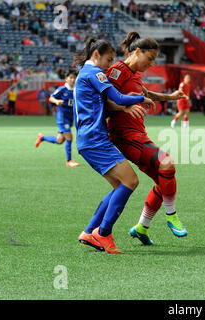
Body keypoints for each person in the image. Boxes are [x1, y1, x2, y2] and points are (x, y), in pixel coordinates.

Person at [73, 37, 155, 254]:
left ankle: (90, 231)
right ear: (96, 55)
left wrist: (127, 105)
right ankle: (104, 233)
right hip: (94, 139)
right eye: (108, 60)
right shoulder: (94, 73)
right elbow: (116, 96)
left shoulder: (85, 74)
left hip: (89, 139)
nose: (109, 66)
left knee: (121, 185)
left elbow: (109, 104)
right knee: (131, 180)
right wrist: (139, 99)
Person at [106, 31, 188, 245]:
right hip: (124, 136)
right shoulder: (117, 71)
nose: (151, 64)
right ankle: (171, 216)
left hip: (138, 135)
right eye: (149, 59)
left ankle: (142, 227)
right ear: (138, 51)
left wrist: (169, 97)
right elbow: (104, 101)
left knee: (165, 179)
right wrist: (125, 107)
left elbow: (144, 92)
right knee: (167, 163)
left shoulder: (134, 74)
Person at [34, 69, 80, 167]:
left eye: (74, 78)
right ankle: (69, 161)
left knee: (60, 140)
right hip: (62, 118)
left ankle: (42, 138)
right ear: (66, 79)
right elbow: (51, 97)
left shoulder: (77, 90)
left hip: (70, 118)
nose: (73, 79)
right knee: (69, 137)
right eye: (71, 77)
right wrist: (57, 101)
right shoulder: (62, 89)